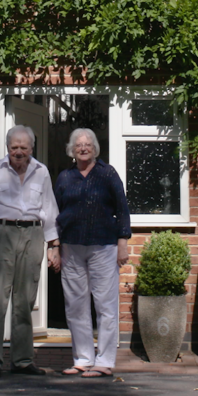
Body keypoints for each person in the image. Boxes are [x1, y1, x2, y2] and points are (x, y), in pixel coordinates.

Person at [0, 125, 61, 379]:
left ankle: (21, 360)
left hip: (32, 234)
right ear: (8, 148)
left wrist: (54, 244)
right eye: (14, 147)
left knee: (25, 301)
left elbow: (50, 208)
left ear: (32, 148)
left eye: (24, 148)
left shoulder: (41, 172)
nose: (18, 152)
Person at [53, 128, 131, 378]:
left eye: (88, 144)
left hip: (104, 246)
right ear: (72, 149)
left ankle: (105, 361)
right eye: (79, 145)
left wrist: (123, 242)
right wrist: (53, 246)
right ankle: (83, 359)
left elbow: (122, 207)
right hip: (71, 247)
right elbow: (54, 212)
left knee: (105, 305)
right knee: (75, 306)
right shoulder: (65, 177)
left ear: (95, 147)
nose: (83, 148)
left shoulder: (107, 174)